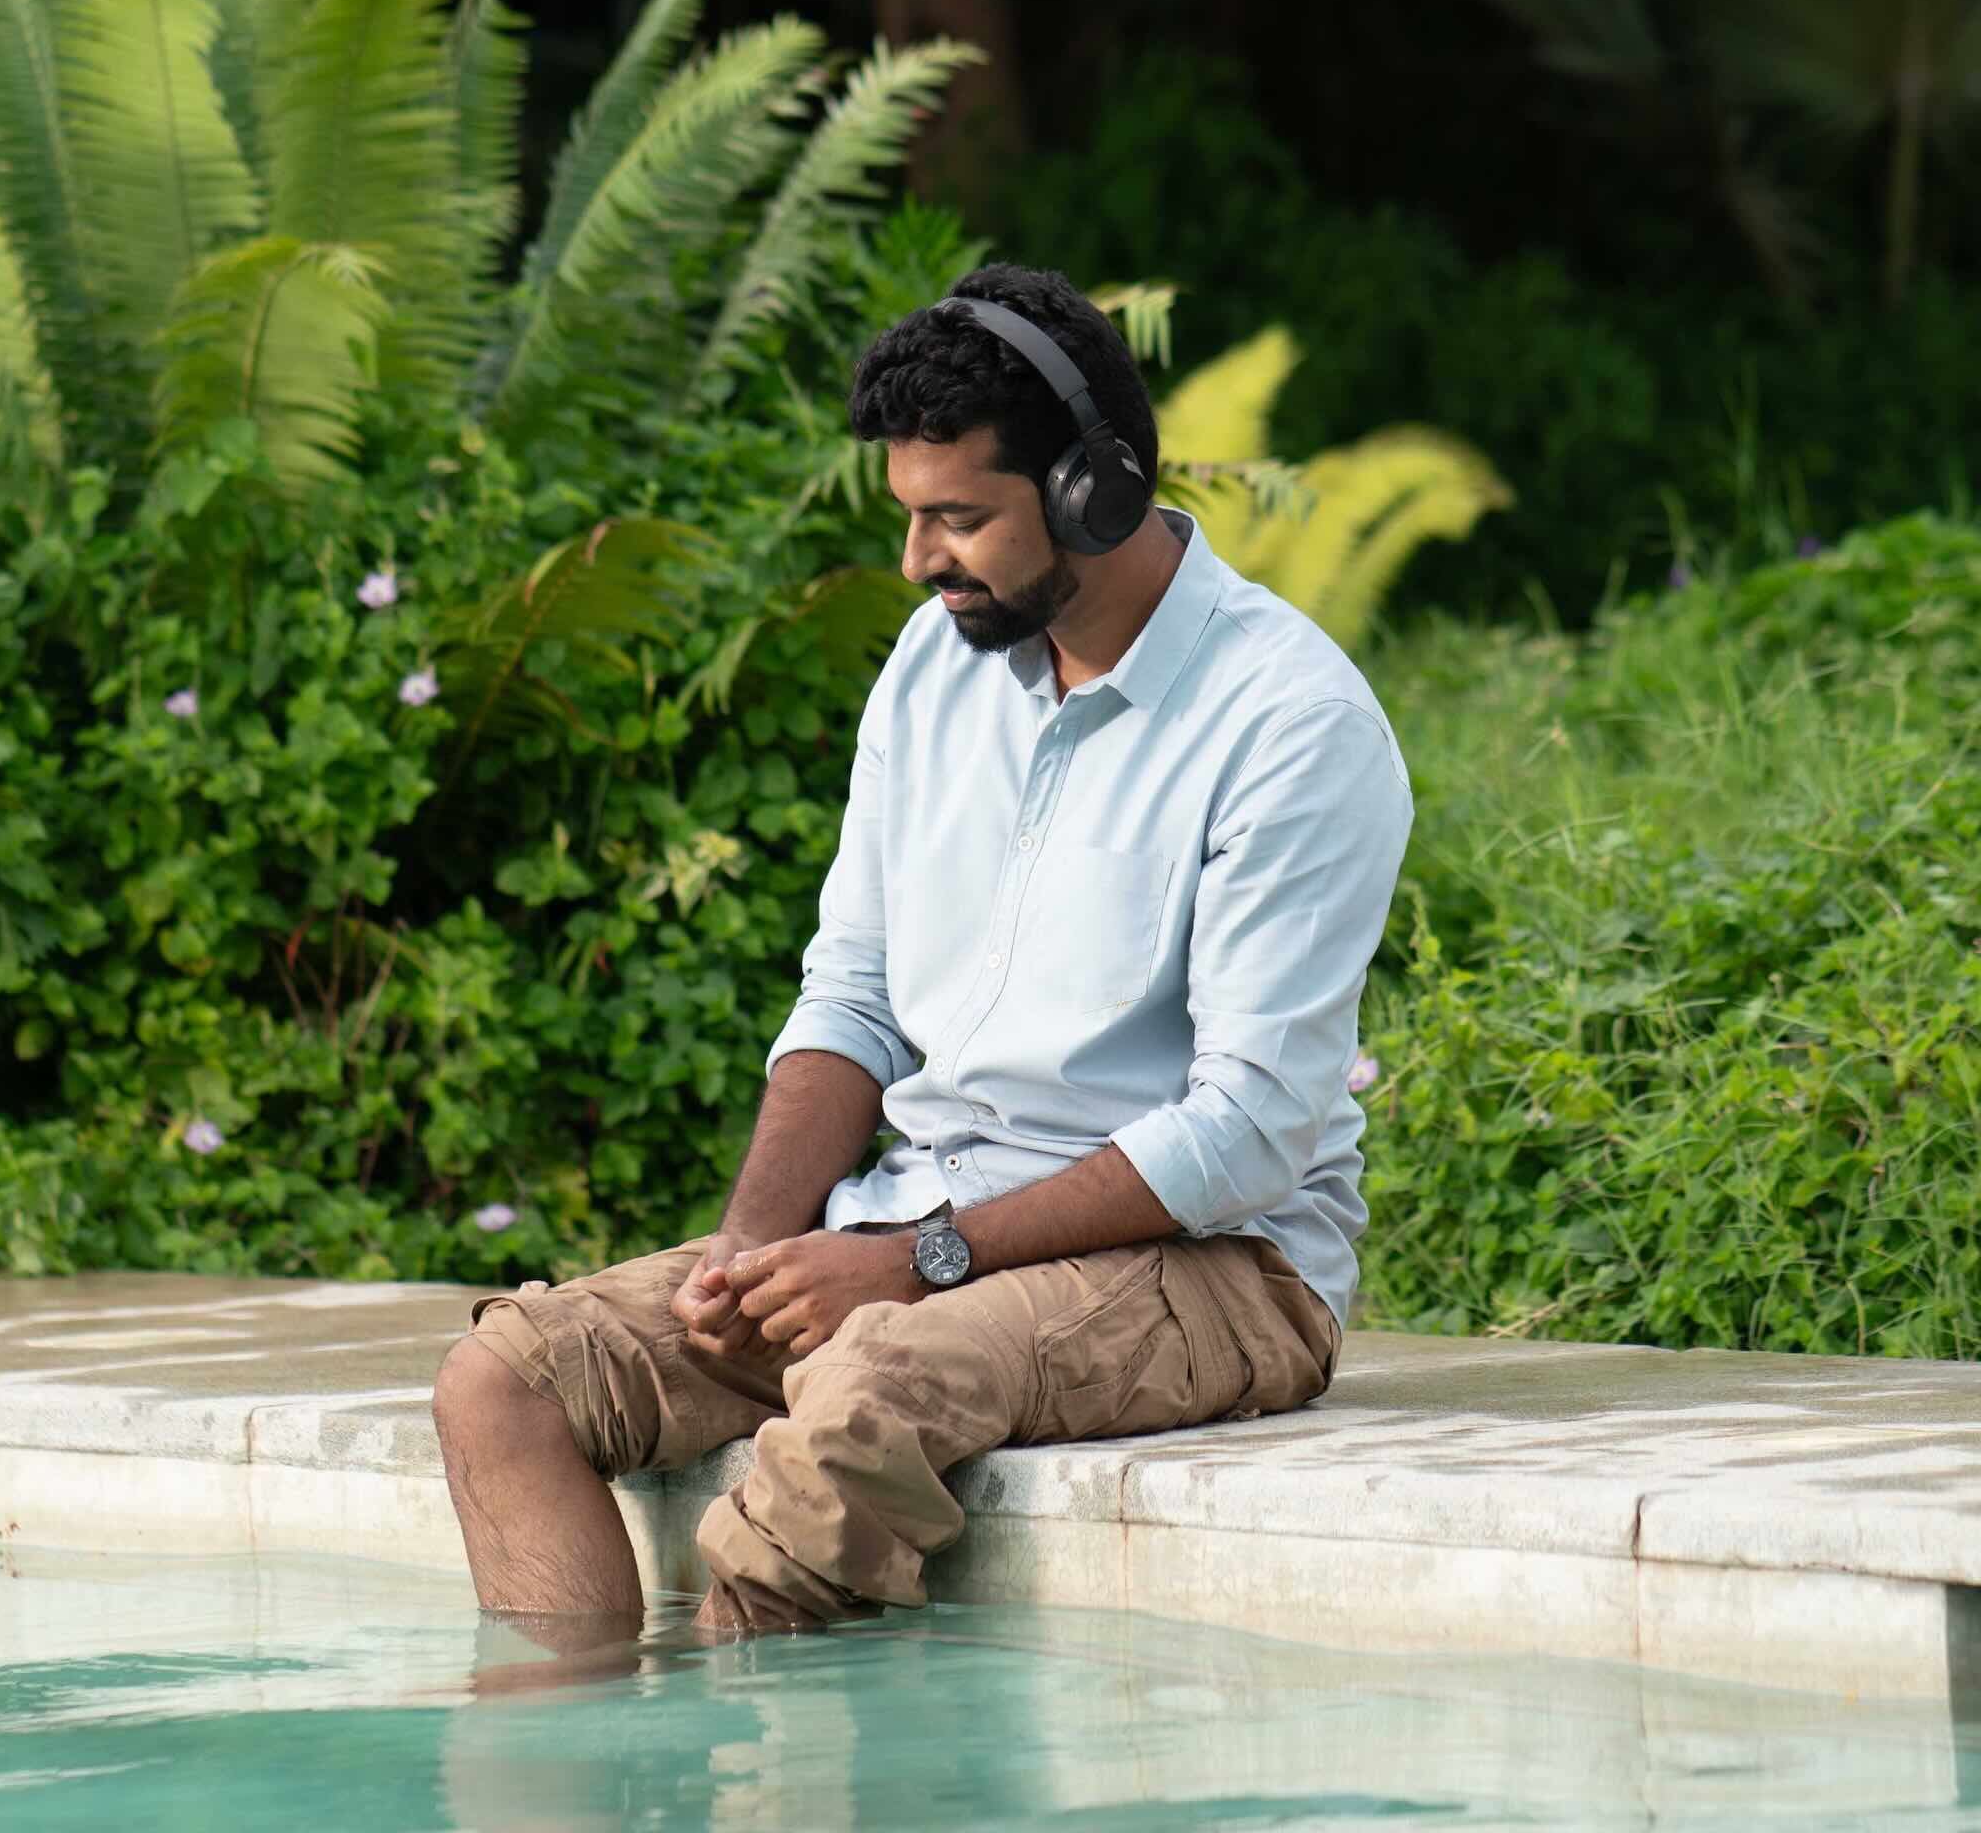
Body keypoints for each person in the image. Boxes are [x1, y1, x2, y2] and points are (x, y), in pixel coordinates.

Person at [430, 262, 1414, 1661]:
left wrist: (915, 1261)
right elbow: (855, 993)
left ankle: (751, 1787)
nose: (918, 562)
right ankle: (578, 1776)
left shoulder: (1291, 722)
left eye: (960, 519)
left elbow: (1249, 1131)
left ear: (1097, 492)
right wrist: (760, 1240)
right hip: (917, 1227)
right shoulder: (932, 660)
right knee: (506, 1381)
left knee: (860, 1396)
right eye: (910, 516)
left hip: (1218, 1265)